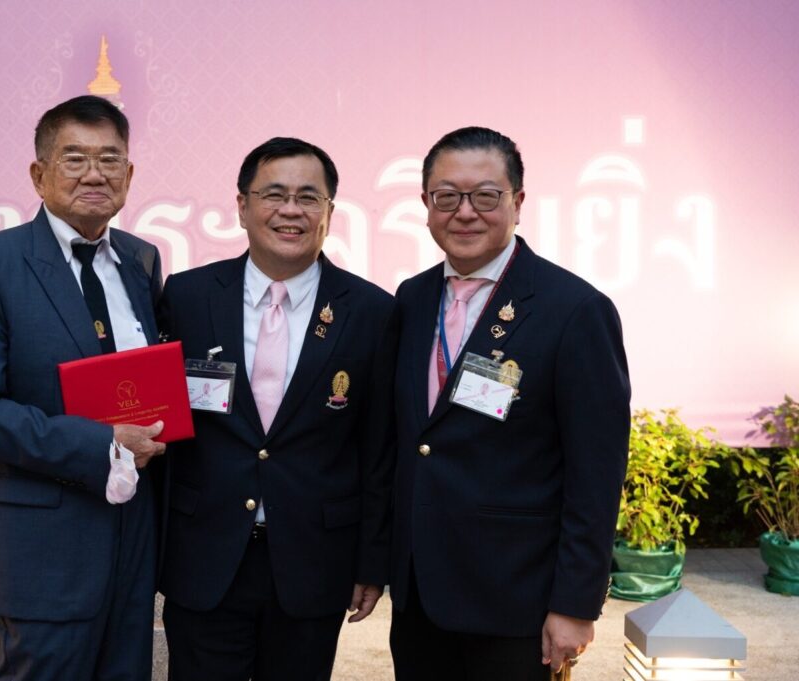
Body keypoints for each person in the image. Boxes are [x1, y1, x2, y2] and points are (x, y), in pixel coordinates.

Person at [388, 127, 630, 680]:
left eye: (486, 196)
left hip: (515, 599)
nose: (465, 212)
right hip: (421, 596)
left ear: (518, 203)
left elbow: (597, 472)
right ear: (426, 206)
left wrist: (575, 604)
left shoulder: (574, 310)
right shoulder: (412, 298)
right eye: (446, 196)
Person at [0, 95, 166, 680]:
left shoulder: (142, 261)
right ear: (39, 175)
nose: (95, 174)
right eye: (75, 158)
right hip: (39, 553)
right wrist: (103, 443)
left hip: (131, 547)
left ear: (129, 175)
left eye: (110, 159)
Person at [158, 137, 396, 681]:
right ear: (242, 205)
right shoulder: (188, 297)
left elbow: (378, 449)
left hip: (314, 558)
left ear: (330, 213)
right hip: (205, 552)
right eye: (274, 194)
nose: (291, 211)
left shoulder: (372, 311)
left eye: (309, 197)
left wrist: (371, 561)